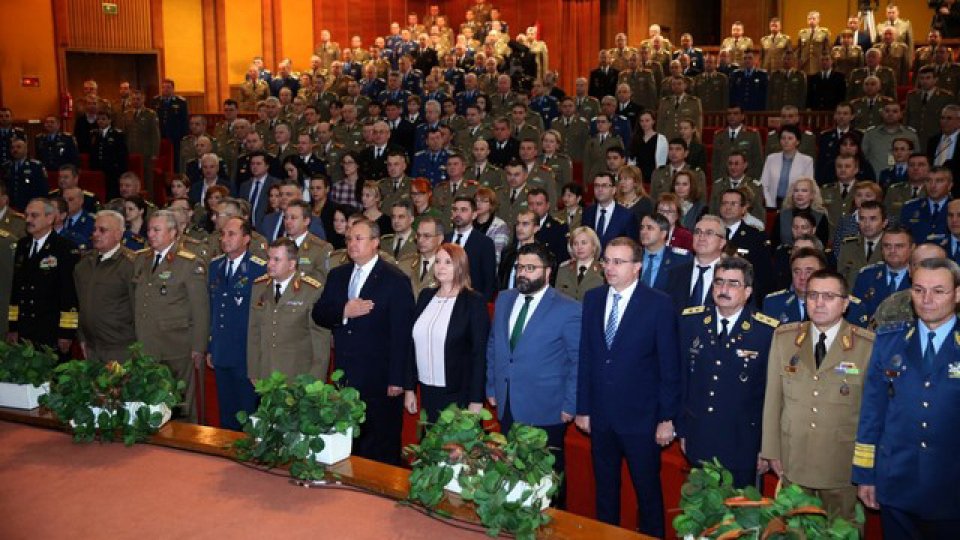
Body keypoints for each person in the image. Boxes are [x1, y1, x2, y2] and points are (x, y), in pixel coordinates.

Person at [576, 237, 679, 536]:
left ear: (637, 267)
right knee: (605, 491)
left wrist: (666, 417)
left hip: (642, 420)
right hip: (602, 416)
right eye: (606, 261)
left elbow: (669, 366)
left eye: (618, 262)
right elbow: (587, 356)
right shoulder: (593, 299)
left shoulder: (659, 303)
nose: (609, 268)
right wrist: (583, 408)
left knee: (647, 493)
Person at [855, 257, 960, 536]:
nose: (926, 299)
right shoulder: (889, 341)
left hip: (952, 488)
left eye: (938, 291)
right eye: (918, 289)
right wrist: (865, 475)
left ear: (957, 294)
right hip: (897, 482)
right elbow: (872, 414)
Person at [760, 269, 873, 523]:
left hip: (841, 466)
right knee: (792, 530)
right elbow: (773, 400)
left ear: (845, 303)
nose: (819, 303)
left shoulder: (866, 346)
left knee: (843, 530)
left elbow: (872, 413)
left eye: (829, 296)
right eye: (812, 295)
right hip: (793, 459)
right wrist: (771, 450)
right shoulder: (784, 338)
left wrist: (867, 467)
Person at [313, 218, 414, 465]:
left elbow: (403, 334)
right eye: (349, 239)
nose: (352, 244)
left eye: (359, 239)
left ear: (376, 242)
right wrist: (344, 311)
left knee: (380, 443)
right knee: (349, 441)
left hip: (380, 379)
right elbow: (319, 313)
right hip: (345, 376)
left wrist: (398, 379)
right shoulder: (338, 275)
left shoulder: (395, 280)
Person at [487, 242, 580, 507]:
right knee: (511, 473)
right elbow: (495, 345)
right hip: (507, 404)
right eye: (519, 268)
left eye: (530, 268)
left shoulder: (568, 309)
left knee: (547, 480)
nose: (523, 274)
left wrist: (570, 404)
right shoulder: (504, 299)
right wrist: (492, 386)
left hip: (547, 409)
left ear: (547, 272)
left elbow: (577, 362)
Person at [678, 257, 779, 487]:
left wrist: (767, 447)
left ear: (748, 291)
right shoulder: (691, 322)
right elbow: (683, 380)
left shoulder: (766, 332)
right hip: (700, 435)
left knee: (740, 516)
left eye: (733, 284)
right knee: (699, 514)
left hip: (743, 442)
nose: (724, 290)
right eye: (719, 282)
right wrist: (682, 429)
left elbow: (771, 395)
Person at [131, 210, 209, 423]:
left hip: (178, 345)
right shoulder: (141, 259)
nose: (151, 234)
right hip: (147, 343)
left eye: (157, 230)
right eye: (149, 230)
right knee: (152, 400)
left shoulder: (189, 263)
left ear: (173, 232)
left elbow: (200, 309)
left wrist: (199, 347)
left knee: (183, 403)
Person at [404, 242, 489, 423]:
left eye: (448, 262)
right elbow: (412, 345)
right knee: (429, 446)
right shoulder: (426, 296)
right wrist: (409, 388)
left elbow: (479, 354)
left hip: (459, 393)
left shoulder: (473, 301)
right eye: (438, 261)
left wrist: (476, 399)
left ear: (460, 266)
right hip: (427, 390)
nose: (441, 266)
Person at [206, 217, 266, 429]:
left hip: (246, 352)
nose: (225, 239)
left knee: (248, 411)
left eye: (232, 234)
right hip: (222, 350)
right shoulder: (215, 266)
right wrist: (211, 347)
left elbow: (261, 317)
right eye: (223, 234)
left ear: (246, 238)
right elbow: (213, 311)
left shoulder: (259, 269)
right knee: (226, 411)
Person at [248, 236, 329, 382]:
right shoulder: (259, 287)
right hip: (266, 375)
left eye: (276, 260)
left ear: (292, 264)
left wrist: (315, 382)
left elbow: (320, 343)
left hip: (297, 376)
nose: (270, 264)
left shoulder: (311, 291)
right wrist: (254, 371)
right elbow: (254, 333)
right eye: (269, 258)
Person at [7, 198, 80, 357]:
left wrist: (66, 332)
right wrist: (13, 326)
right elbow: (16, 290)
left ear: (50, 218)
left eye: (34, 216)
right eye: (27, 215)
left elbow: (69, 293)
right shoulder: (22, 245)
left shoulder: (64, 248)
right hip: (25, 329)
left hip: (50, 330)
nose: (28, 220)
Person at [73, 210, 136, 363]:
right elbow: (78, 304)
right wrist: (81, 337)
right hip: (91, 347)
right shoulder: (83, 264)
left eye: (103, 230)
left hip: (121, 348)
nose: (96, 234)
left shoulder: (130, 265)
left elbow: (139, 308)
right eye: (94, 229)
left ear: (119, 234)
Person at [719, 189, 773, 302]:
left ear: (744, 209)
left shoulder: (756, 237)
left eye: (733, 204)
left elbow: (764, 276)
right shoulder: (713, 233)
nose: (728, 207)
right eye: (725, 203)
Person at [665, 215, 727, 310]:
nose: (701, 237)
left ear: (722, 243)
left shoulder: (731, 276)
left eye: (709, 233)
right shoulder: (675, 273)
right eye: (697, 232)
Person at [851, 225, 914, 321]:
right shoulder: (866, 276)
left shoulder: (919, 279)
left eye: (899, 246)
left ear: (912, 248)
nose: (892, 251)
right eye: (887, 246)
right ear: (881, 249)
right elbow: (856, 313)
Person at [446, 196, 497, 301]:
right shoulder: (445, 239)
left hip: (471, 302)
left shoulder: (484, 243)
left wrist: (481, 304)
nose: (458, 214)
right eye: (455, 210)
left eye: (463, 210)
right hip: (445, 298)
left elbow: (489, 281)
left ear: (474, 215)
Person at [763, 246, 828, 324]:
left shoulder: (836, 304)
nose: (802, 277)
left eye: (809, 272)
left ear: (822, 274)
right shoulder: (774, 304)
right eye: (797, 272)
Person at [760, 125, 815, 210]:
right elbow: (764, 184)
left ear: (797, 142)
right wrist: (770, 203)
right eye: (783, 138)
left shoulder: (807, 161)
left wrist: (794, 204)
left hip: (796, 204)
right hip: (772, 203)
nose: (786, 141)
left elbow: (807, 186)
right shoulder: (771, 158)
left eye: (790, 138)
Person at [770, 177, 831, 250]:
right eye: (796, 191)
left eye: (804, 191)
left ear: (812, 195)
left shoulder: (820, 216)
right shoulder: (782, 215)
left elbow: (822, 246)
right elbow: (774, 244)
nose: (799, 194)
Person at [836, 200, 887, 286]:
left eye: (873, 219)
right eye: (862, 218)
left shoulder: (891, 247)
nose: (867, 224)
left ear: (884, 223)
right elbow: (841, 280)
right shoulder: (848, 246)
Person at [583, 171, 638, 249]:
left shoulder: (627, 216)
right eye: (596, 186)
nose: (600, 189)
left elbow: (633, 246)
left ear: (613, 190)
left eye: (604, 186)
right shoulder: (587, 212)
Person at [900, 166, 952, 245]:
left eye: (939, 181)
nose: (933, 185)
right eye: (928, 181)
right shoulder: (910, 208)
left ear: (950, 185)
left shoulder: (956, 208)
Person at [555, 226, 603, 301]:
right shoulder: (563, 269)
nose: (579, 247)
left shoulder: (603, 271)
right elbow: (557, 299)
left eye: (584, 243)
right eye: (575, 243)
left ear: (594, 246)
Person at [472, 187, 510, 263]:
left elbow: (497, 257)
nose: (478, 204)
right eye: (476, 200)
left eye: (483, 201)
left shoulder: (500, 226)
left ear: (491, 205)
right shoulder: (469, 222)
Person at [630, 111, 668, 184]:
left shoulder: (661, 139)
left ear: (653, 121)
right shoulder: (635, 138)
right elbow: (632, 159)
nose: (644, 123)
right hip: (638, 177)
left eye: (647, 121)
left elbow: (662, 162)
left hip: (653, 176)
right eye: (642, 121)